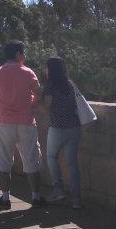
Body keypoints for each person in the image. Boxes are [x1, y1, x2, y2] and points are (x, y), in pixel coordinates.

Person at [0, 40, 46, 210]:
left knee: (3, 160)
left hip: (5, 122)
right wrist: (30, 104)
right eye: (23, 52)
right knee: (31, 159)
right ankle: (35, 197)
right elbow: (38, 97)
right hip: (26, 122)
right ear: (17, 54)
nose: (25, 56)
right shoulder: (29, 73)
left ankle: (5, 198)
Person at [42, 56, 83, 210]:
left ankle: (58, 189)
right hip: (74, 127)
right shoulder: (71, 85)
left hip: (58, 128)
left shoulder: (50, 86)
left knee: (51, 156)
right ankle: (76, 201)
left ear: (50, 69)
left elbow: (46, 106)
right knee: (72, 164)